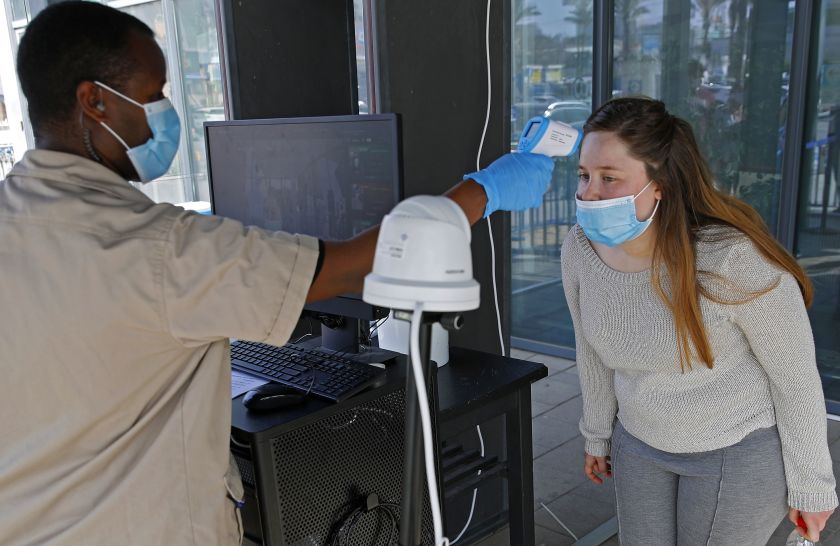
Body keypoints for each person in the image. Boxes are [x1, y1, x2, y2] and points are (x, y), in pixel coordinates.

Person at [0, 3, 554, 544]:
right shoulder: (154, 247)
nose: (164, 111)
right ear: (94, 100)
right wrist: (486, 190)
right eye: (153, 95)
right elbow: (339, 266)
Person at [561, 96, 837, 545]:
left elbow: (797, 380)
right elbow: (590, 349)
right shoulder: (579, 249)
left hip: (735, 448)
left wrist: (813, 485)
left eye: (609, 178)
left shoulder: (729, 259)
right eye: (584, 175)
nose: (589, 192)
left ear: (660, 185)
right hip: (640, 442)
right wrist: (596, 434)